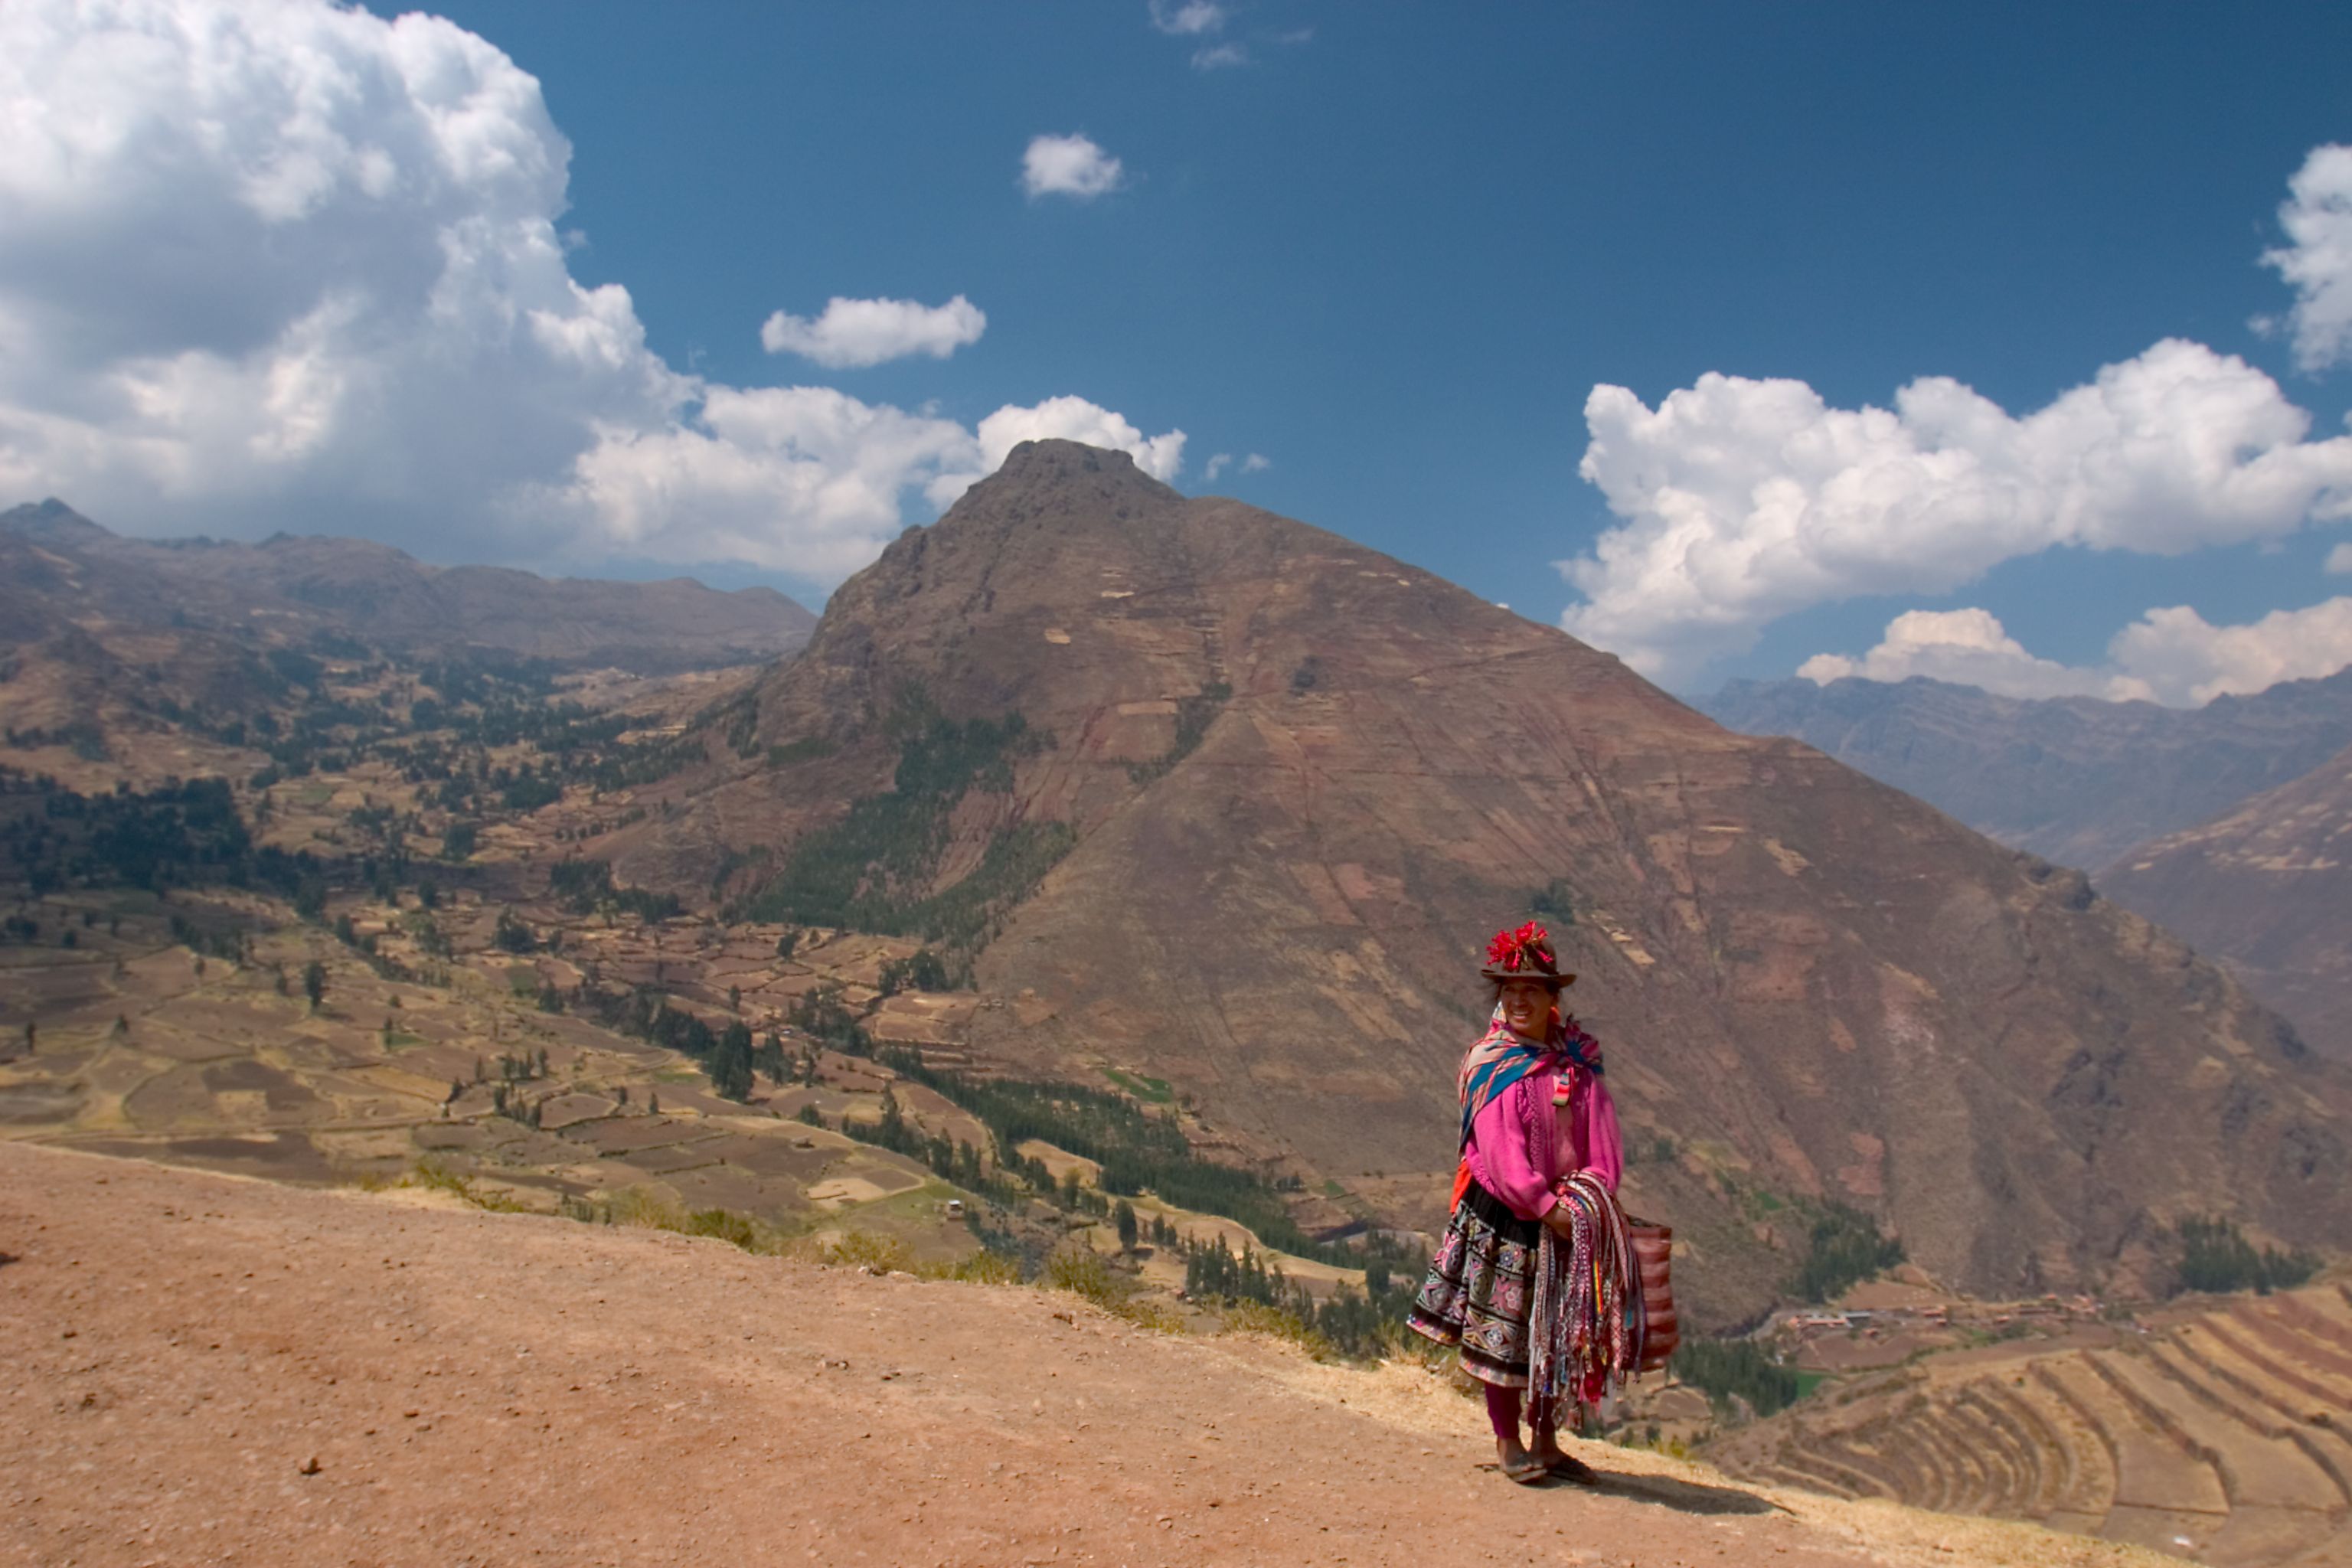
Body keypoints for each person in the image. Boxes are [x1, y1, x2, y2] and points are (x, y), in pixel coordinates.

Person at [1408, 920, 1635, 1485]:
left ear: (1553, 997)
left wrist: (1590, 1199)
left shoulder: (1578, 1064)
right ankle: (1508, 1443)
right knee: (1504, 1336)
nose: (1518, 1000)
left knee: (1555, 1335)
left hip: (1568, 1221)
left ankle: (1548, 1442)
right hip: (1507, 1219)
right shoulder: (1492, 1066)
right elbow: (1502, 1154)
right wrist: (1544, 1206)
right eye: (1510, 991)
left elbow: (1601, 1140)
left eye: (1531, 990)